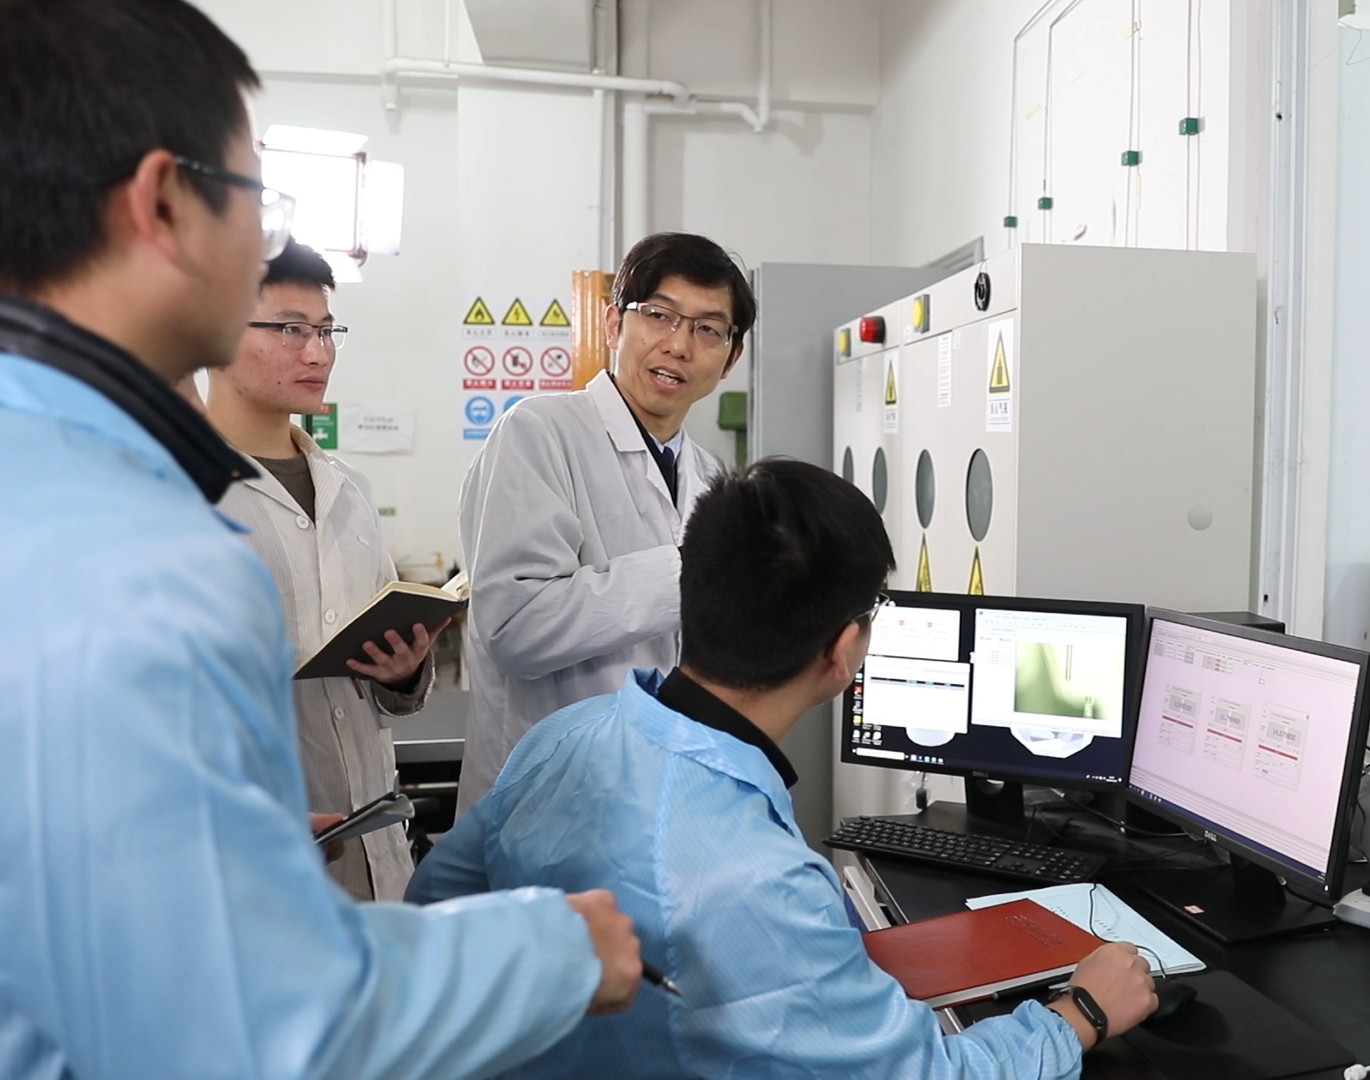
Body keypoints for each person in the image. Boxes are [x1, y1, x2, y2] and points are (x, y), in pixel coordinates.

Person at [0, 3, 640, 1077]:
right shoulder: (123, 555)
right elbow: (260, 1024)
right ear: (164, 202)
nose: (265, 248)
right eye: (259, 196)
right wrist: (558, 951)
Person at [410, 459, 1159, 1078]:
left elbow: (433, 913)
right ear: (844, 652)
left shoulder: (564, 737)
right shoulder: (762, 880)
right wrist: (1082, 1014)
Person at [455, 231, 754, 812]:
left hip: (661, 799)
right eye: (660, 316)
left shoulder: (711, 476)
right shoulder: (538, 432)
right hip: (548, 804)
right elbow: (516, 629)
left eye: (707, 329)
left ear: (730, 358)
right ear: (613, 325)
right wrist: (695, 571)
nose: (679, 345)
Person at [204, 241, 444, 902]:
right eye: (290, 330)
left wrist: (402, 671)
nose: (317, 353)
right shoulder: (184, 492)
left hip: (373, 843)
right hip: (253, 859)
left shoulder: (350, 491)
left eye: (326, 331)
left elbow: (387, 693)